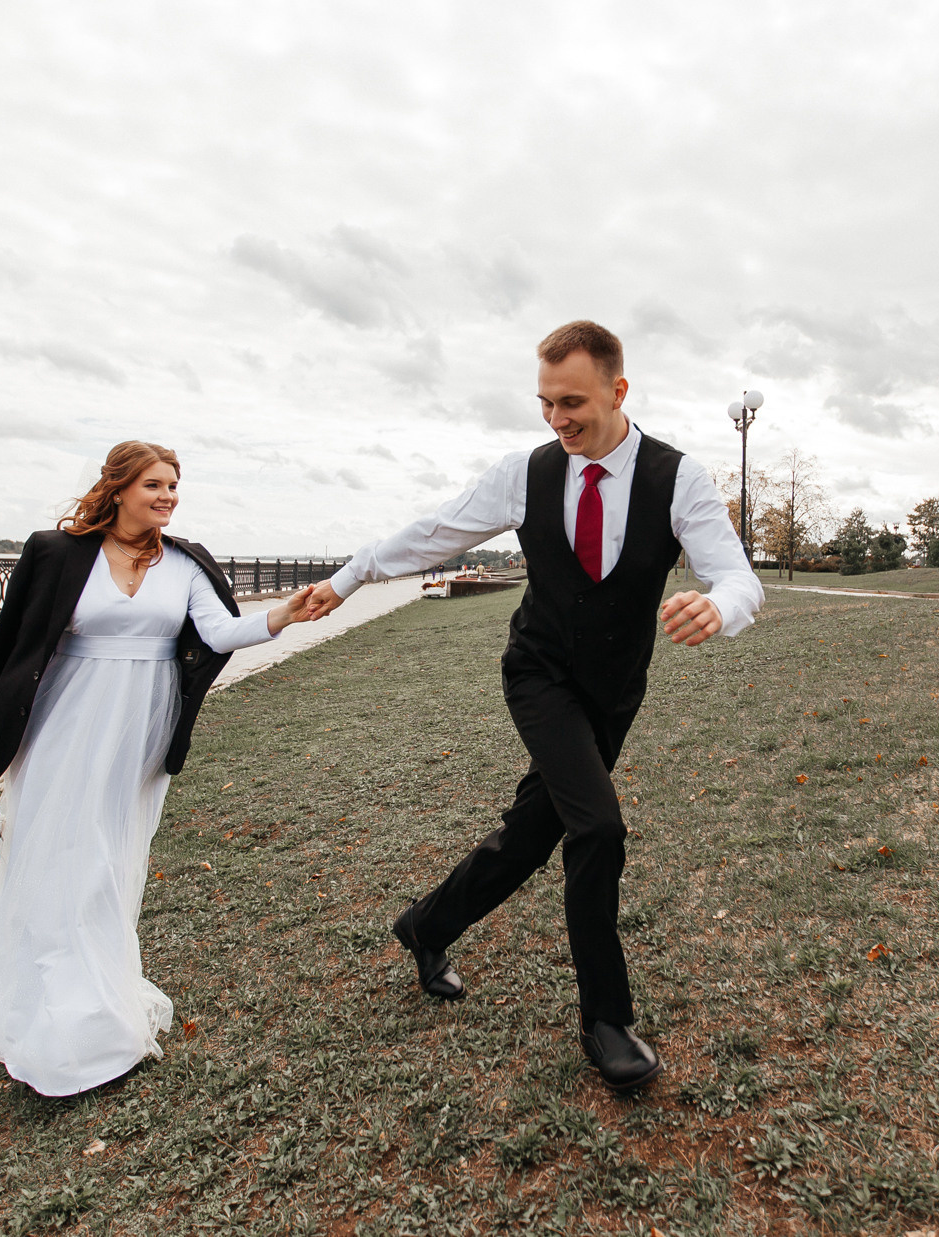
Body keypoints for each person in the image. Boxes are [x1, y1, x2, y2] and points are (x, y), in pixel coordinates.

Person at [302, 321, 763, 1091]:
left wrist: (720, 607)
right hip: (539, 675)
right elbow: (435, 532)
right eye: (545, 403)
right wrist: (348, 578)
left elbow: (739, 576)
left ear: (619, 391)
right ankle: (605, 1021)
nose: (557, 419)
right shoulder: (527, 471)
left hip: (613, 695)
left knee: (531, 832)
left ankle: (426, 925)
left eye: (572, 402)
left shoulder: (676, 477)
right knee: (598, 825)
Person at [0, 441, 318, 1096]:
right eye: (154, 484)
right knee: (57, 857)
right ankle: (55, 1018)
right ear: (118, 487)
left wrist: (285, 615)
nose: (168, 496)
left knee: (107, 862)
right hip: (63, 727)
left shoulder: (185, 563)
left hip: (138, 734)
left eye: (174, 485)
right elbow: (10, 650)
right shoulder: (56, 553)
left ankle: (94, 1006)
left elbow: (221, 632)